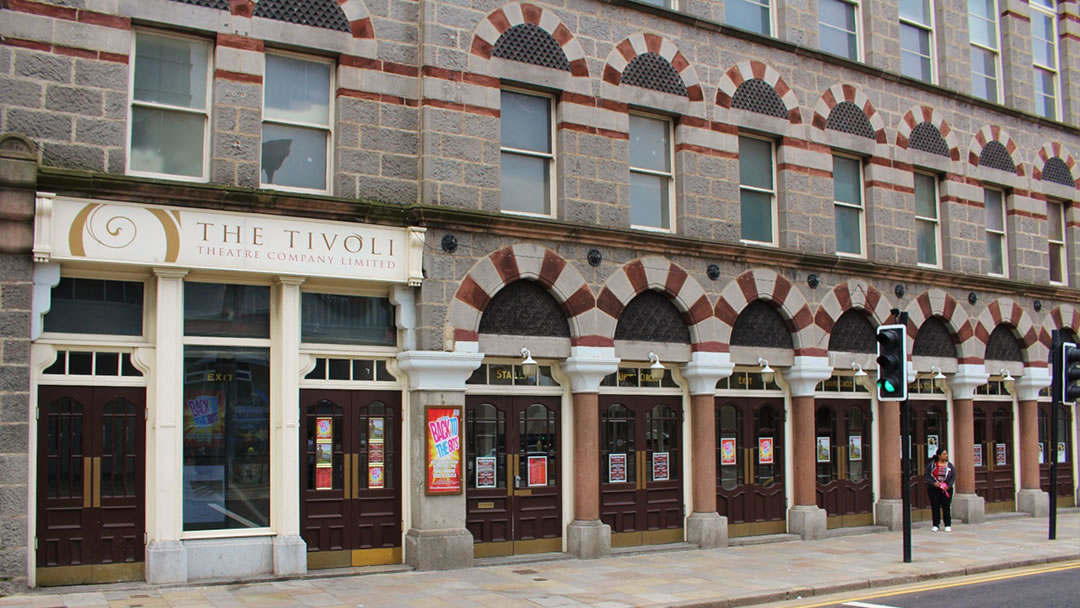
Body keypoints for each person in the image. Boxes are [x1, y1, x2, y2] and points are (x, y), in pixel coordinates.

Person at [925, 447, 956, 532]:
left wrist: (948, 486)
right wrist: (934, 483)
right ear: (939, 455)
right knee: (935, 506)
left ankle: (947, 524)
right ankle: (936, 524)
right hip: (934, 489)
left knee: (946, 506)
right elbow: (927, 476)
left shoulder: (949, 465)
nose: (946, 456)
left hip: (946, 489)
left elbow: (953, 477)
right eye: (944, 454)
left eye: (946, 454)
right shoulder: (931, 465)